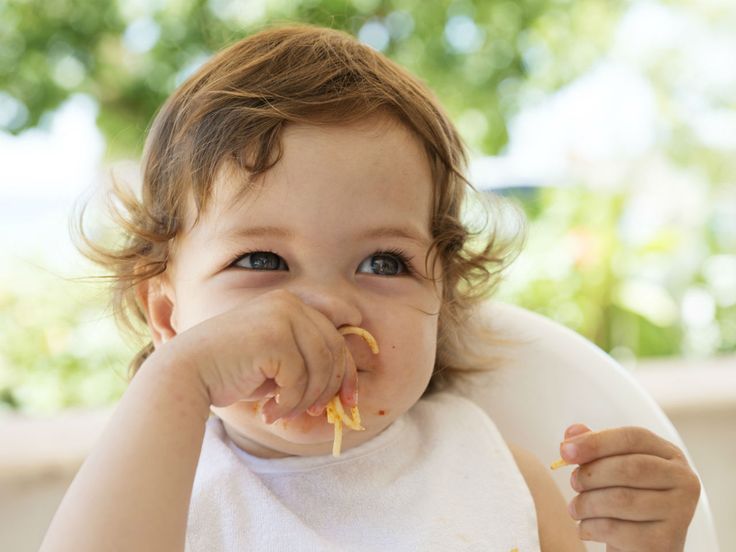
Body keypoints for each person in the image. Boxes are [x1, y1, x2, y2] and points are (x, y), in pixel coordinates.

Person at [41, 25, 700, 552]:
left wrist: (649, 545)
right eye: (263, 259)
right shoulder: (152, 487)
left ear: (439, 300)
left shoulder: (504, 479)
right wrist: (177, 379)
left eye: (384, 263)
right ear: (166, 316)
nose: (328, 305)